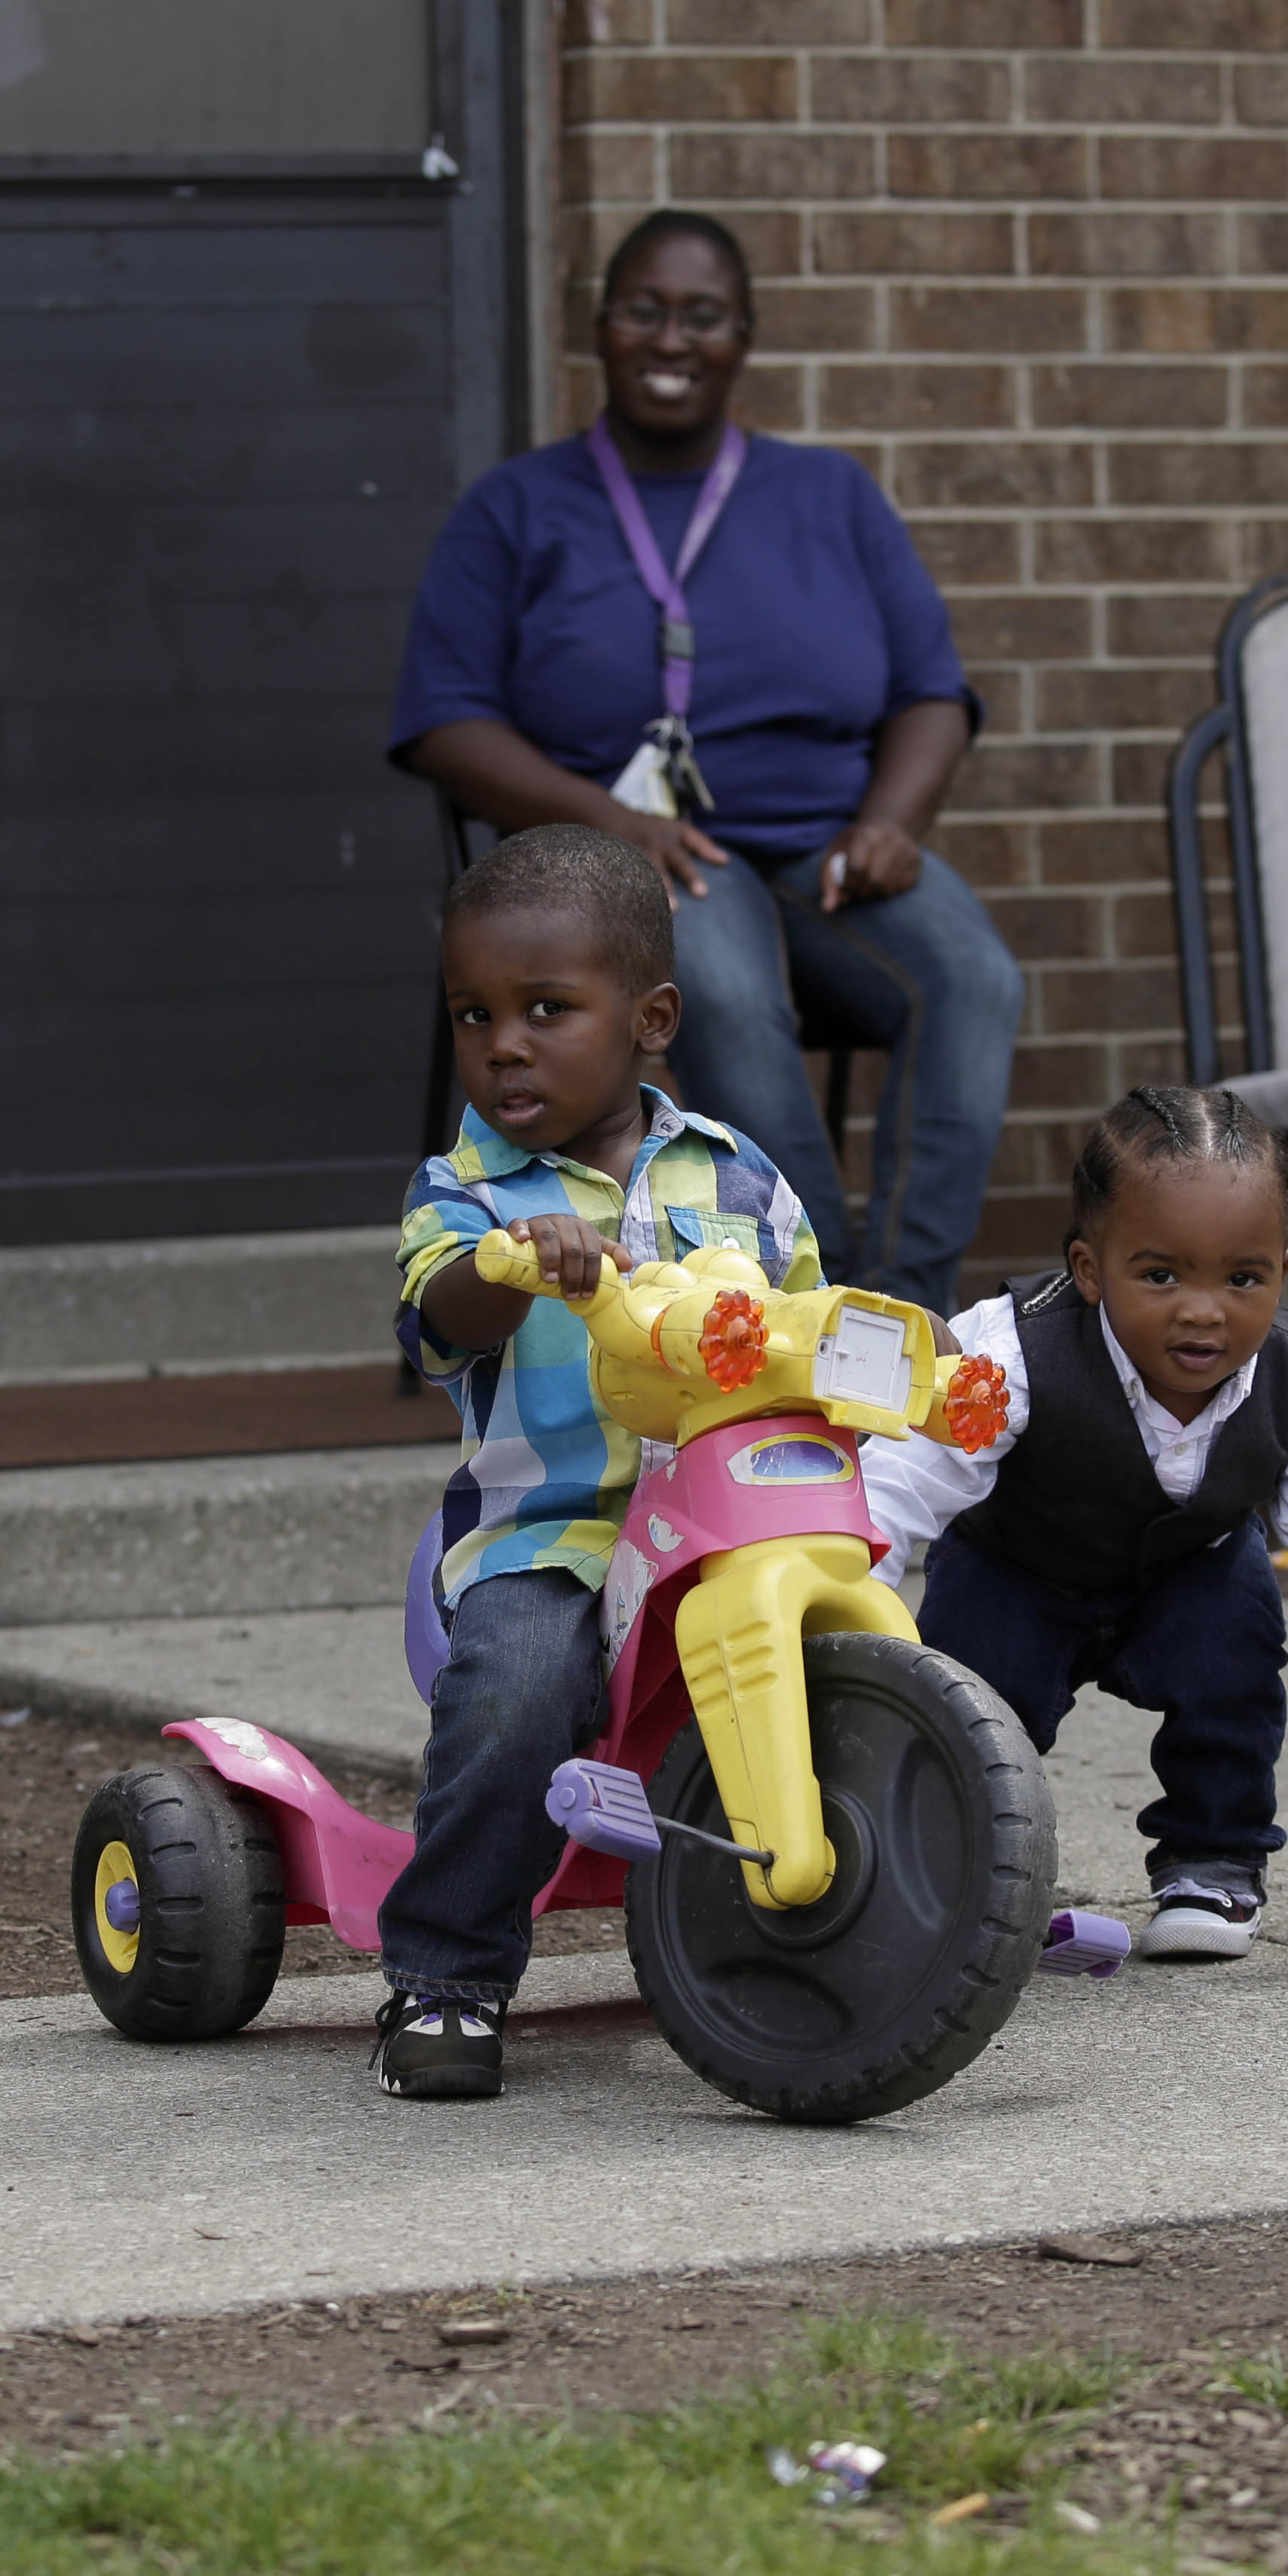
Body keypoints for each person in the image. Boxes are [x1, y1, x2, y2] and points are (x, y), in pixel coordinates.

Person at [390, 206, 1023, 1320]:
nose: (671, 339)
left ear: (744, 338)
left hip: (829, 840)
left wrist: (893, 821)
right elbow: (445, 723)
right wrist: (607, 822)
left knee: (973, 977)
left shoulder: (830, 495)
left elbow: (932, 690)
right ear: (600, 327)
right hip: (641, 853)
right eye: (644, 311)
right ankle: (807, 1312)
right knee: (721, 988)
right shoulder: (514, 508)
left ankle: (895, 1309)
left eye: (702, 317)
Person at [381, 823, 824, 2099]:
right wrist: (508, 1265)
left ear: (651, 1019)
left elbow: (807, 1322)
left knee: (878, 1641)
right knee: (517, 1687)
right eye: (473, 1016)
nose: (502, 1044)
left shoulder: (740, 1179)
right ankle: (447, 1975)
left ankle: (890, 1900)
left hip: (737, 1529)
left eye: (544, 1009)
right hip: (556, 1537)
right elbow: (437, 1316)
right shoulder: (462, 1190)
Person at [860, 1086, 1288, 1961]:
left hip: (1187, 1574)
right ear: (1090, 1268)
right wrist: (852, 1611)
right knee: (969, 1707)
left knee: (1234, 1661)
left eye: (1243, 1278)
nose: (1204, 1310)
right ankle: (945, 1861)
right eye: (1161, 1275)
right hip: (1018, 1569)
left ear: (1283, 1268)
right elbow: (897, 1484)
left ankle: (1212, 1858)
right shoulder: (1007, 1353)